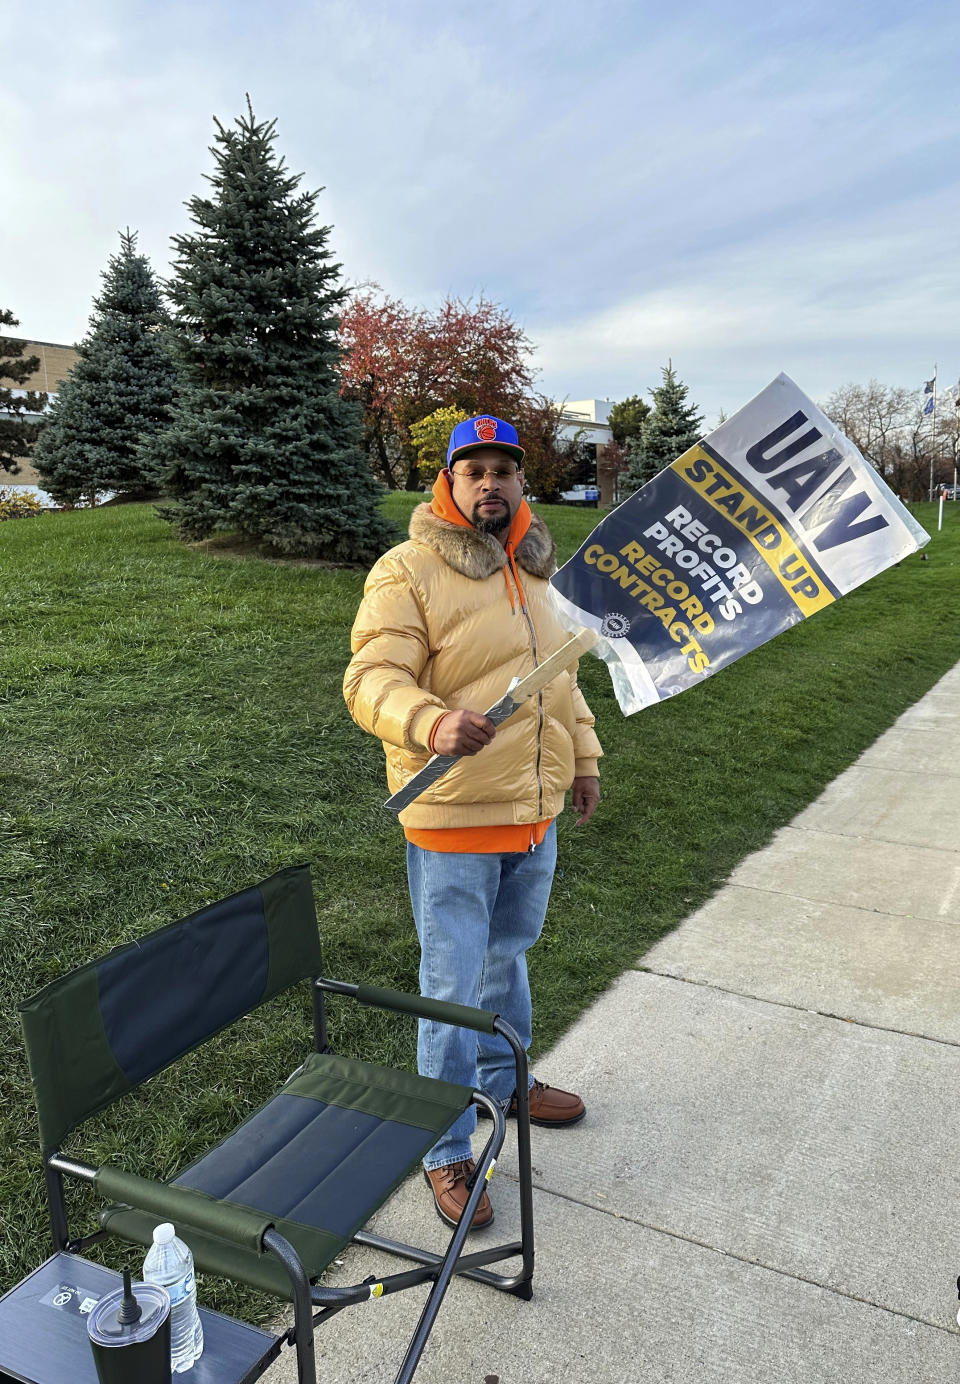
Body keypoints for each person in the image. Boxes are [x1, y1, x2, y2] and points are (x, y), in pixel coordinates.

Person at [343, 414, 602, 1229]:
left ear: (523, 481)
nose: (490, 482)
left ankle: (505, 1082)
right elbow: (368, 677)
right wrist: (427, 721)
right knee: (451, 987)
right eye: (473, 470)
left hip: (533, 813)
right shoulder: (407, 569)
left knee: (507, 957)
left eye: (504, 469)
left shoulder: (537, 573)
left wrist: (585, 758)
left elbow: (560, 679)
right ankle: (445, 1148)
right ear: (449, 483)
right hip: (454, 816)